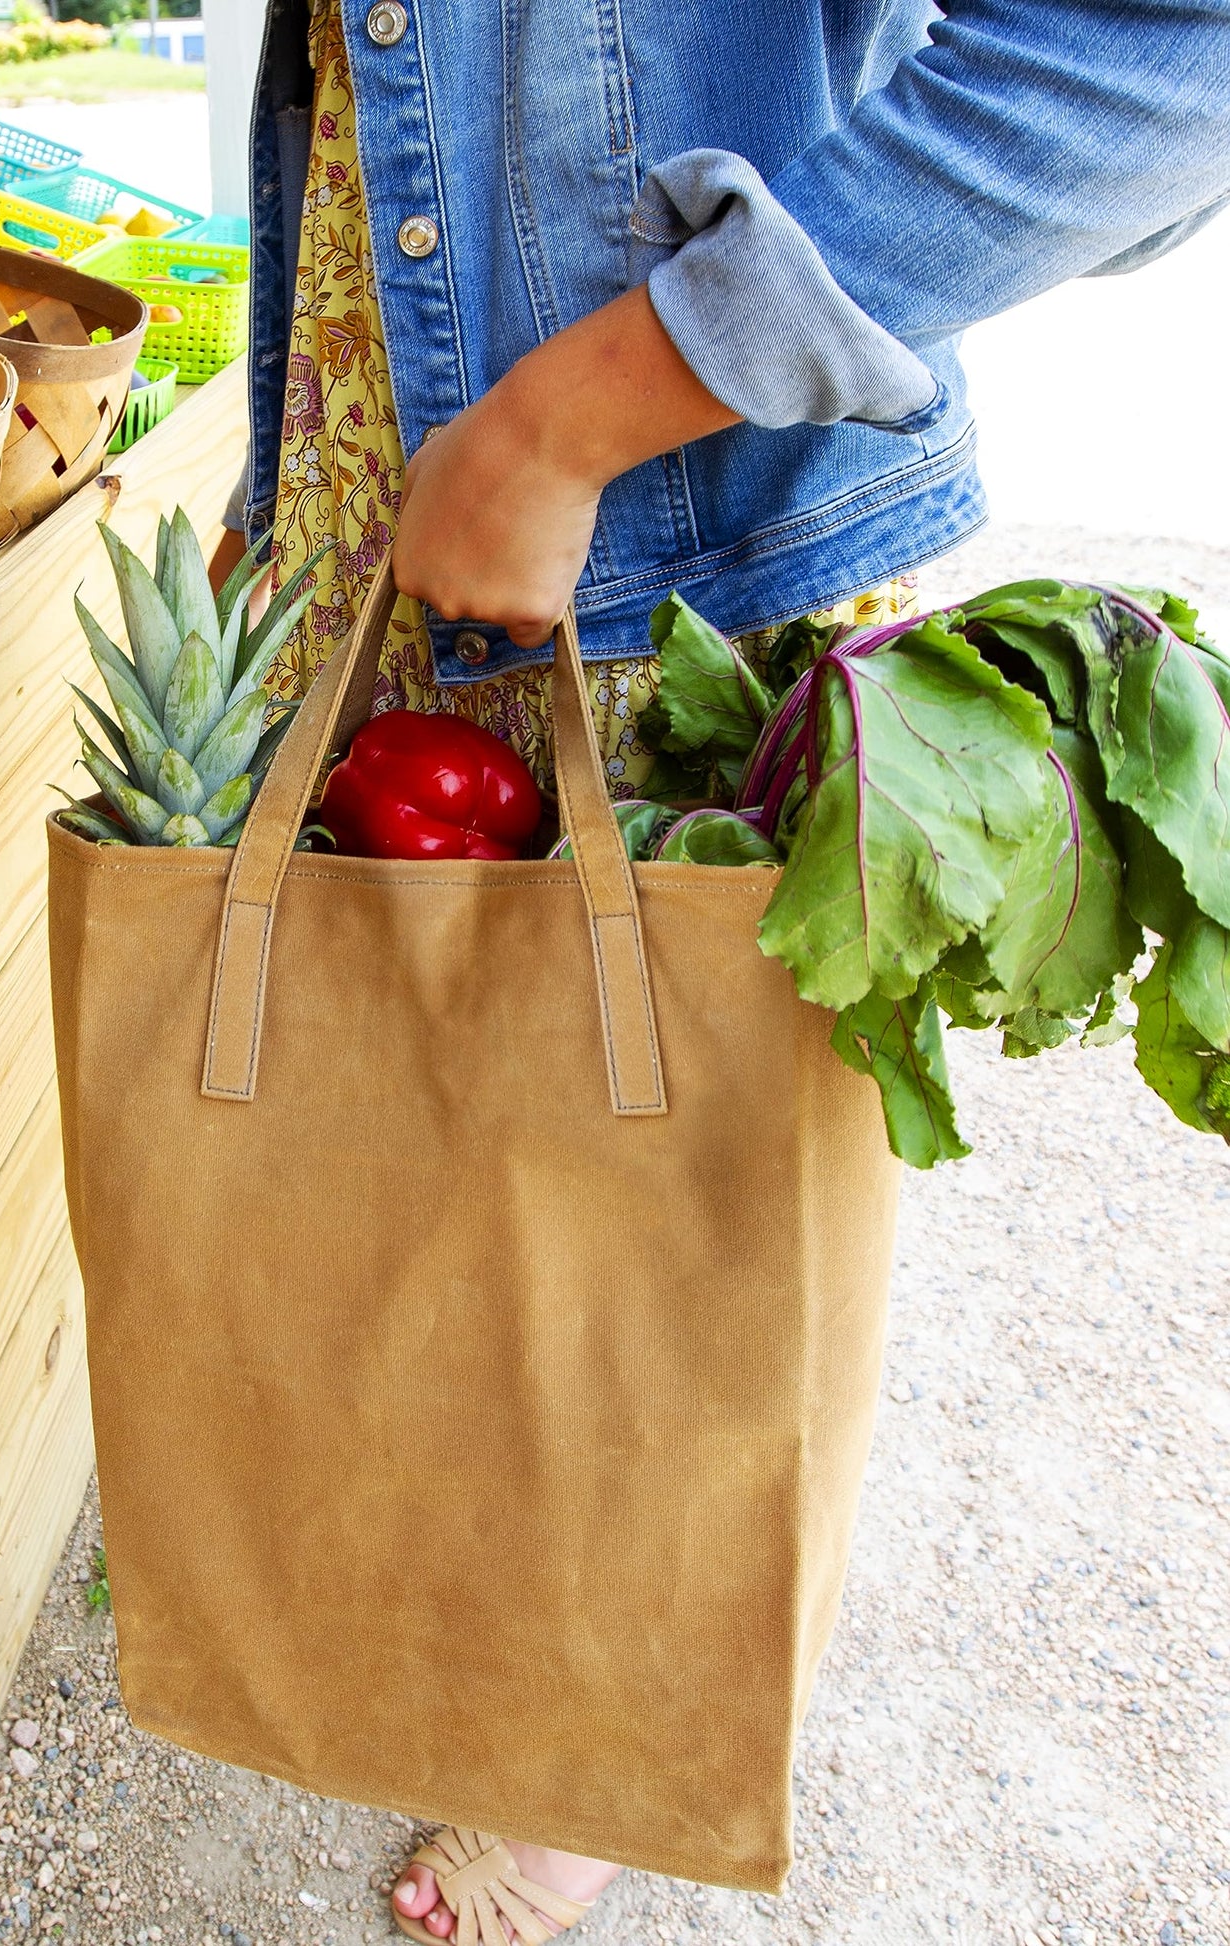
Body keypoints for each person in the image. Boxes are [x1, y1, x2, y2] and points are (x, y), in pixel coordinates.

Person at [220, 0, 1230, 1934]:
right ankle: (460, 1627)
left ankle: (613, 1738)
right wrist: (305, 457)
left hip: (664, 510)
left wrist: (583, 407)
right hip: (395, 484)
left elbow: (1164, 58)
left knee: (674, 1225)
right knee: (444, 1167)